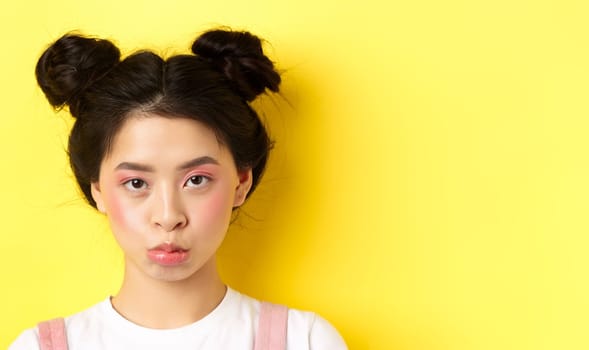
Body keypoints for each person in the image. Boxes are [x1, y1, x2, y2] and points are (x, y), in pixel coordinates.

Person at [10, 28, 347, 350]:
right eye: (137, 183)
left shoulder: (304, 342)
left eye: (196, 180)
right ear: (97, 189)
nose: (169, 216)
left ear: (240, 183)